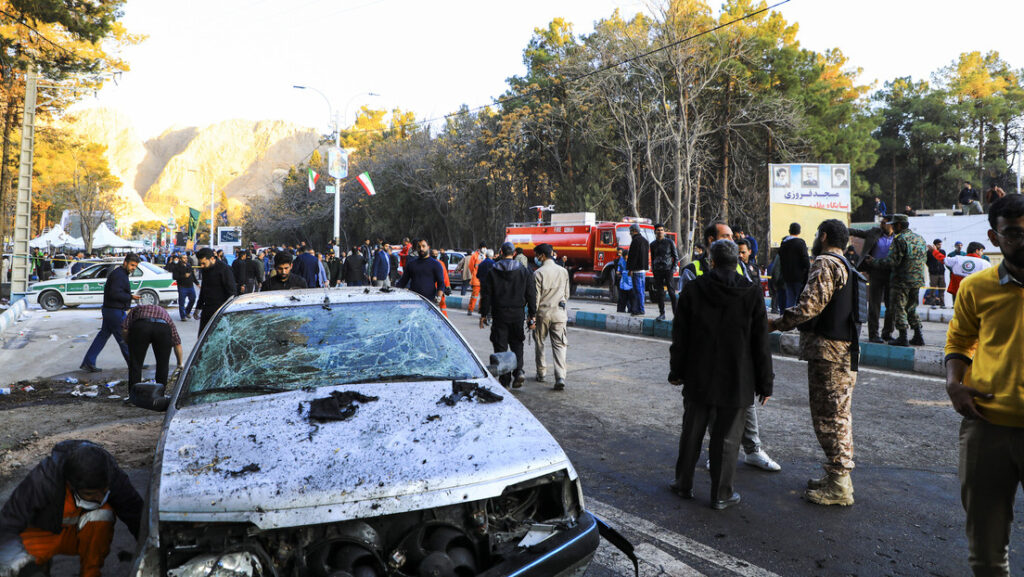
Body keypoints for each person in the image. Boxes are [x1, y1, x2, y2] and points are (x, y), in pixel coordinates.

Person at [944, 194, 1024, 576]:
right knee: (987, 554)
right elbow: (959, 342)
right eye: (1014, 234)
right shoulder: (977, 288)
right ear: (995, 238)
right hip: (986, 427)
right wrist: (954, 384)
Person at [669, 239, 773, 510]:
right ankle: (721, 494)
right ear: (737, 262)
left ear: (711, 261)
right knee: (727, 439)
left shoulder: (693, 290)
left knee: (691, 432)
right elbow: (760, 343)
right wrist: (766, 383)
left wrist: (676, 371)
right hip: (737, 379)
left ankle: (683, 484)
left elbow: (681, 337)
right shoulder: (751, 293)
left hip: (698, 375)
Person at [770, 219, 863, 506]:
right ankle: (837, 476)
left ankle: (839, 485)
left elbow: (809, 307)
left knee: (829, 418)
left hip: (829, 353)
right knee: (838, 415)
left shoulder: (825, 262)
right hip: (844, 350)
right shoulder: (846, 264)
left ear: (823, 236)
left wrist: (776, 323)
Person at [682, 222, 780, 472]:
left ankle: (753, 450)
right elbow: (685, 319)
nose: (733, 240)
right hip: (706, 353)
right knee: (713, 407)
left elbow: (753, 313)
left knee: (745, 404)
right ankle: (716, 454)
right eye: (726, 237)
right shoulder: (693, 271)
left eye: (733, 237)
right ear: (710, 241)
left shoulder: (742, 269)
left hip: (737, 353)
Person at [0, 441, 143, 577]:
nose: (99, 499)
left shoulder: (113, 476)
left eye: (104, 491)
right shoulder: (42, 480)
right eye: (89, 494)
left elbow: (137, 517)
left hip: (79, 536)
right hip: (44, 534)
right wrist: (26, 567)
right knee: (9, 562)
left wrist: (152, 553)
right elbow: (8, 524)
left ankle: (90, 573)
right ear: (71, 484)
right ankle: (38, 565)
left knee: (103, 514)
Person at [479, 242, 536, 389]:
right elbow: (531, 294)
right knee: (517, 343)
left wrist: (484, 313)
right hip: (517, 314)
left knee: (501, 345)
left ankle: (505, 379)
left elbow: (486, 294)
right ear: (514, 253)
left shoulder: (493, 271)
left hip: (500, 314)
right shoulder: (524, 271)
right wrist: (532, 314)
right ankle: (519, 372)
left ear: (501, 252)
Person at [869, 214, 927, 347]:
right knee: (911, 308)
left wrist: (874, 262)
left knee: (899, 307)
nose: (893, 227)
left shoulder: (900, 239)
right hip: (917, 279)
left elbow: (892, 261)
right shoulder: (920, 239)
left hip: (901, 280)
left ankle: (903, 336)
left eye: (894, 225)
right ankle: (918, 335)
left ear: (899, 225)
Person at [79, 254, 141, 373]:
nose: (134, 268)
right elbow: (114, 293)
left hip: (111, 310)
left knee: (102, 336)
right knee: (124, 338)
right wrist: (130, 296)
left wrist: (129, 297)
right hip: (114, 312)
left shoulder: (120, 274)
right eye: (132, 265)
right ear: (125, 263)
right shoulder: (119, 275)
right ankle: (134, 365)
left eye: (135, 266)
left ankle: (88, 362)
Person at [849, 217, 895, 342]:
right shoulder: (875, 232)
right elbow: (858, 232)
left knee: (891, 305)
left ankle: (888, 333)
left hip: (892, 273)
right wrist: (842, 229)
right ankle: (873, 334)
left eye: (885, 223)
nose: (882, 224)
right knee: (874, 305)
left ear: (892, 225)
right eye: (881, 222)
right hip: (875, 272)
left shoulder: (898, 236)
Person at [532, 243, 570, 390]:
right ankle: (560, 376)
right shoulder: (563, 271)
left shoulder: (538, 273)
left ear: (542, 256)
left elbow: (536, 298)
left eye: (537, 255)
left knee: (540, 342)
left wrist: (532, 317)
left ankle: (541, 373)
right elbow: (566, 295)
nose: (536, 258)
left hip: (543, 313)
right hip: (559, 314)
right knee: (560, 345)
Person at [122, 303, 184, 389]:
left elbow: (125, 329)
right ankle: (159, 395)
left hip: (141, 326)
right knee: (163, 364)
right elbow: (177, 342)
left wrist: (130, 342)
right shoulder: (164, 312)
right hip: (162, 328)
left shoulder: (137, 308)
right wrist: (180, 363)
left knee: (135, 365)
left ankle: (133, 395)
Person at [193, 247, 236, 332]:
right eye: (200, 264)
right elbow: (204, 289)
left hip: (220, 310)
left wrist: (227, 311)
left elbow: (232, 292)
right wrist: (198, 307)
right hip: (207, 309)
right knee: (202, 336)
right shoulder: (205, 270)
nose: (202, 266)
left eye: (204, 263)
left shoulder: (224, 269)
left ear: (212, 259)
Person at [649, 223, 678, 321]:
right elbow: (653, 258)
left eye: (662, 230)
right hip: (657, 271)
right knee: (660, 293)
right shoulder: (652, 244)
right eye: (658, 230)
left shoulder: (670, 242)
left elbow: (675, 257)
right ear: (655, 232)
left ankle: (676, 314)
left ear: (664, 231)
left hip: (668, 270)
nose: (660, 231)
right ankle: (662, 313)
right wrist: (653, 269)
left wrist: (673, 269)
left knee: (671, 293)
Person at [778, 223, 810, 311]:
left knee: (790, 299)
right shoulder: (800, 243)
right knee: (800, 300)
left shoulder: (783, 243)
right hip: (799, 277)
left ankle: (788, 320)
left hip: (787, 276)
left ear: (789, 230)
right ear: (799, 231)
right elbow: (805, 260)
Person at [626, 224, 649, 316]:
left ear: (634, 231)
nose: (630, 233)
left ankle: (639, 309)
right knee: (642, 290)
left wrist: (630, 269)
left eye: (631, 231)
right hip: (643, 270)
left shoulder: (635, 241)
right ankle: (641, 308)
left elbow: (633, 257)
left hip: (636, 270)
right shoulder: (645, 241)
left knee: (637, 291)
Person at [168, 254, 198, 322]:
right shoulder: (177, 267)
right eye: (184, 258)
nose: (185, 259)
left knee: (193, 299)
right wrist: (184, 276)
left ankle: (187, 311)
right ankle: (183, 316)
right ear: (180, 259)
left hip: (190, 286)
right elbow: (175, 277)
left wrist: (197, 283)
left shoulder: (188, 265)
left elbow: (192, 275)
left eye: (186, 258)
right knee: (182, 302)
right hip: (182, 286)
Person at [430, 248, 452, 317]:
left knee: (438, 304)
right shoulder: (440, 263)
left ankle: (444, 319)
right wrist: (447, 286)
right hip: (436, 288)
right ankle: (444, 319)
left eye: (436, 254)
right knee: (440, 304)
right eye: (435, 254)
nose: (435, 255)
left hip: (436, 287)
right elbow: (445, 276)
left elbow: (445, 276)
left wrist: (448, 286)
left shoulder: (429, 263)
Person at [925, 239, 947, 306]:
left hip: (941, 273)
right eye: (938, 244)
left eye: (940, 244)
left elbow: (943, 259)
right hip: (933, 273)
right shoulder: (929, 252)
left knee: (942, 288)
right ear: (934, 245)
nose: (940, 246)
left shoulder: (942, 251)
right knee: (933, 288)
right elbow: (927, 261)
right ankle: (933, 303)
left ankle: (942, 303)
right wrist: (931, 267)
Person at [466, 242, 485, 315]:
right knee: (474, 296)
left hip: (482, 280)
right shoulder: (474, 255)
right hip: (476, 280)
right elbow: (471, 266)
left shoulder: (485, 255)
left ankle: (480, 309)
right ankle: (470, 309)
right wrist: (474, 274)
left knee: (482, 297)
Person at [615, 248, 632, 313]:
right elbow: (619, 268)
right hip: (623, 281)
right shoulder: (621, 260)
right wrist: (618, 271)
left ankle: (630, 309)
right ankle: (621, 309)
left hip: (629, 280)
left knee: (629, 297)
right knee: (622, 297)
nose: (626, 258)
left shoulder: (630, 260)